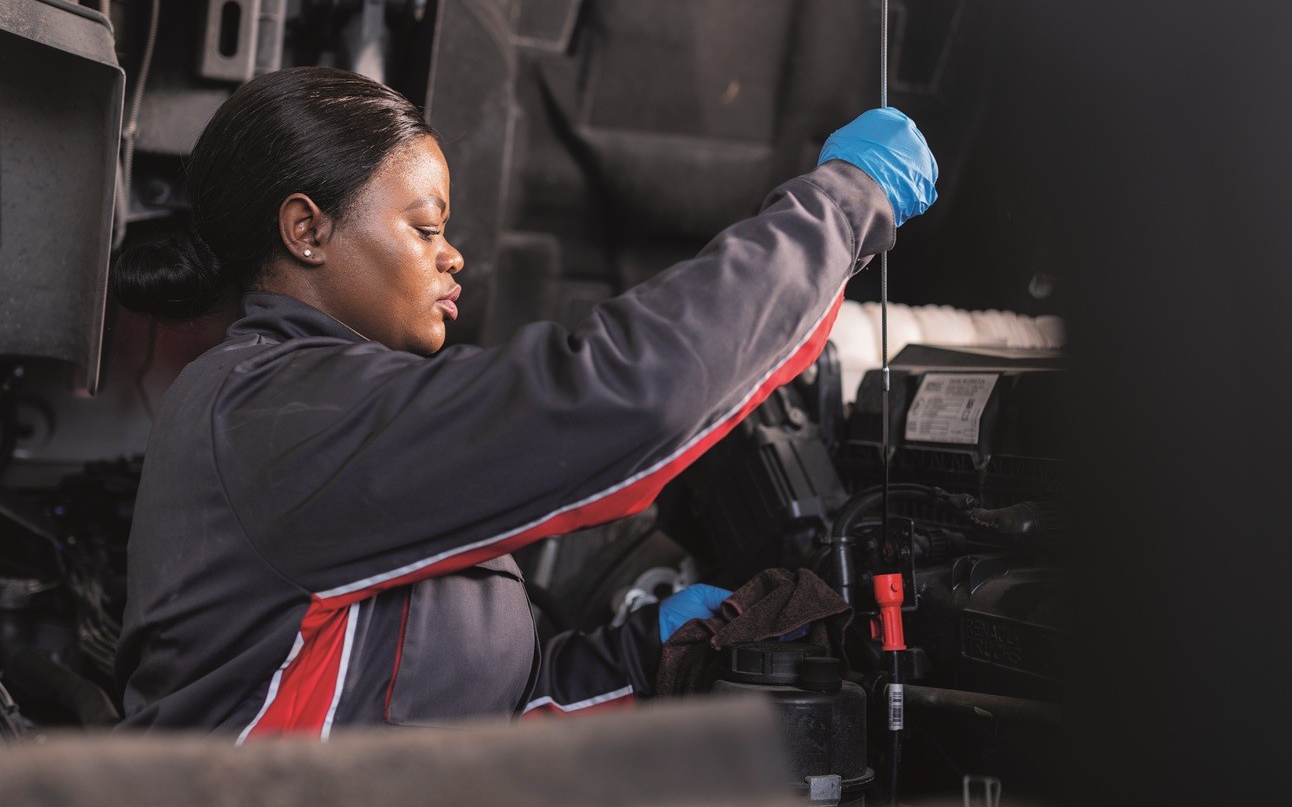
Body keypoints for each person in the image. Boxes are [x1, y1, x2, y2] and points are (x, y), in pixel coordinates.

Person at [111, 67, 936, 738]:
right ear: (307, 231)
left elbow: (478, 705)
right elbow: (624, 396)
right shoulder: (269, 412)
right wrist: (840, 207)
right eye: (426, 227)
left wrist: (645, 653)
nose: (453, 256)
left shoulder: (326, 417)